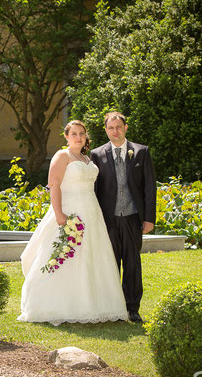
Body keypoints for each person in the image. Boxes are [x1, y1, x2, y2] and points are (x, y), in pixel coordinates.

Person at [18, 120, 128, 325]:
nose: (79, 137)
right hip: (70, 211)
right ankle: (53, 304)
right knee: (65, 255)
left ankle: (95, 306)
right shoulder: (62, 156)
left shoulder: (86, 158)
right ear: (66, 137)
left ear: (86, 137)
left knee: (93, 256)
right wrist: (59, 214)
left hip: (92, 212)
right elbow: (54, 185)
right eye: (74, 134)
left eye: (82, 134)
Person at [90, 112, 156, 323]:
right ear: (106, 130)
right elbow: (94, 189)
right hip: (108, 219)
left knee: (132, 264)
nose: (115, 131)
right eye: (111, 128)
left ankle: (132, 308)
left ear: (125, 128)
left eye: (119, 127)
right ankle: (112, 308)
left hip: (132, 217)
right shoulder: (96, 154)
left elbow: (149, 187)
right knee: (110, 264)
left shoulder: (141, 152)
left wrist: (149, 218)